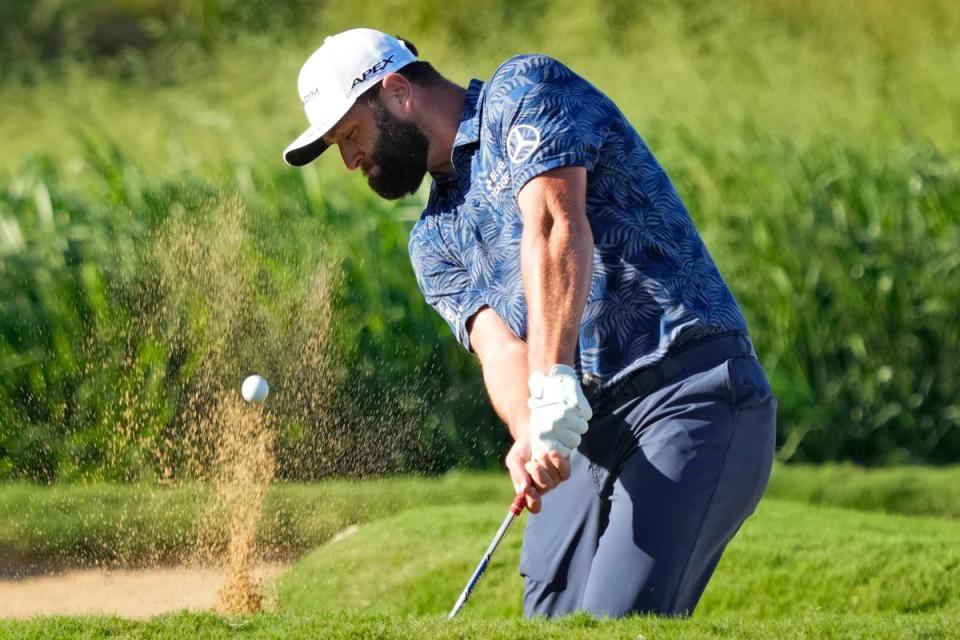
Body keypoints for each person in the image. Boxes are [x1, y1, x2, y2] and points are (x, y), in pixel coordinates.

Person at [282, 28, 777, 618]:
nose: (349, 159)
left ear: (395, 91)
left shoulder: (523, 91)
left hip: (690, 395)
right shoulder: (433, 240)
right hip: (582, 435)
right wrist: (528, 431)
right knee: (549, 619)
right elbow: (498, 348)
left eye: (351, 135)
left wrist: (551, 384)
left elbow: (552, 225)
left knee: (615, 621)